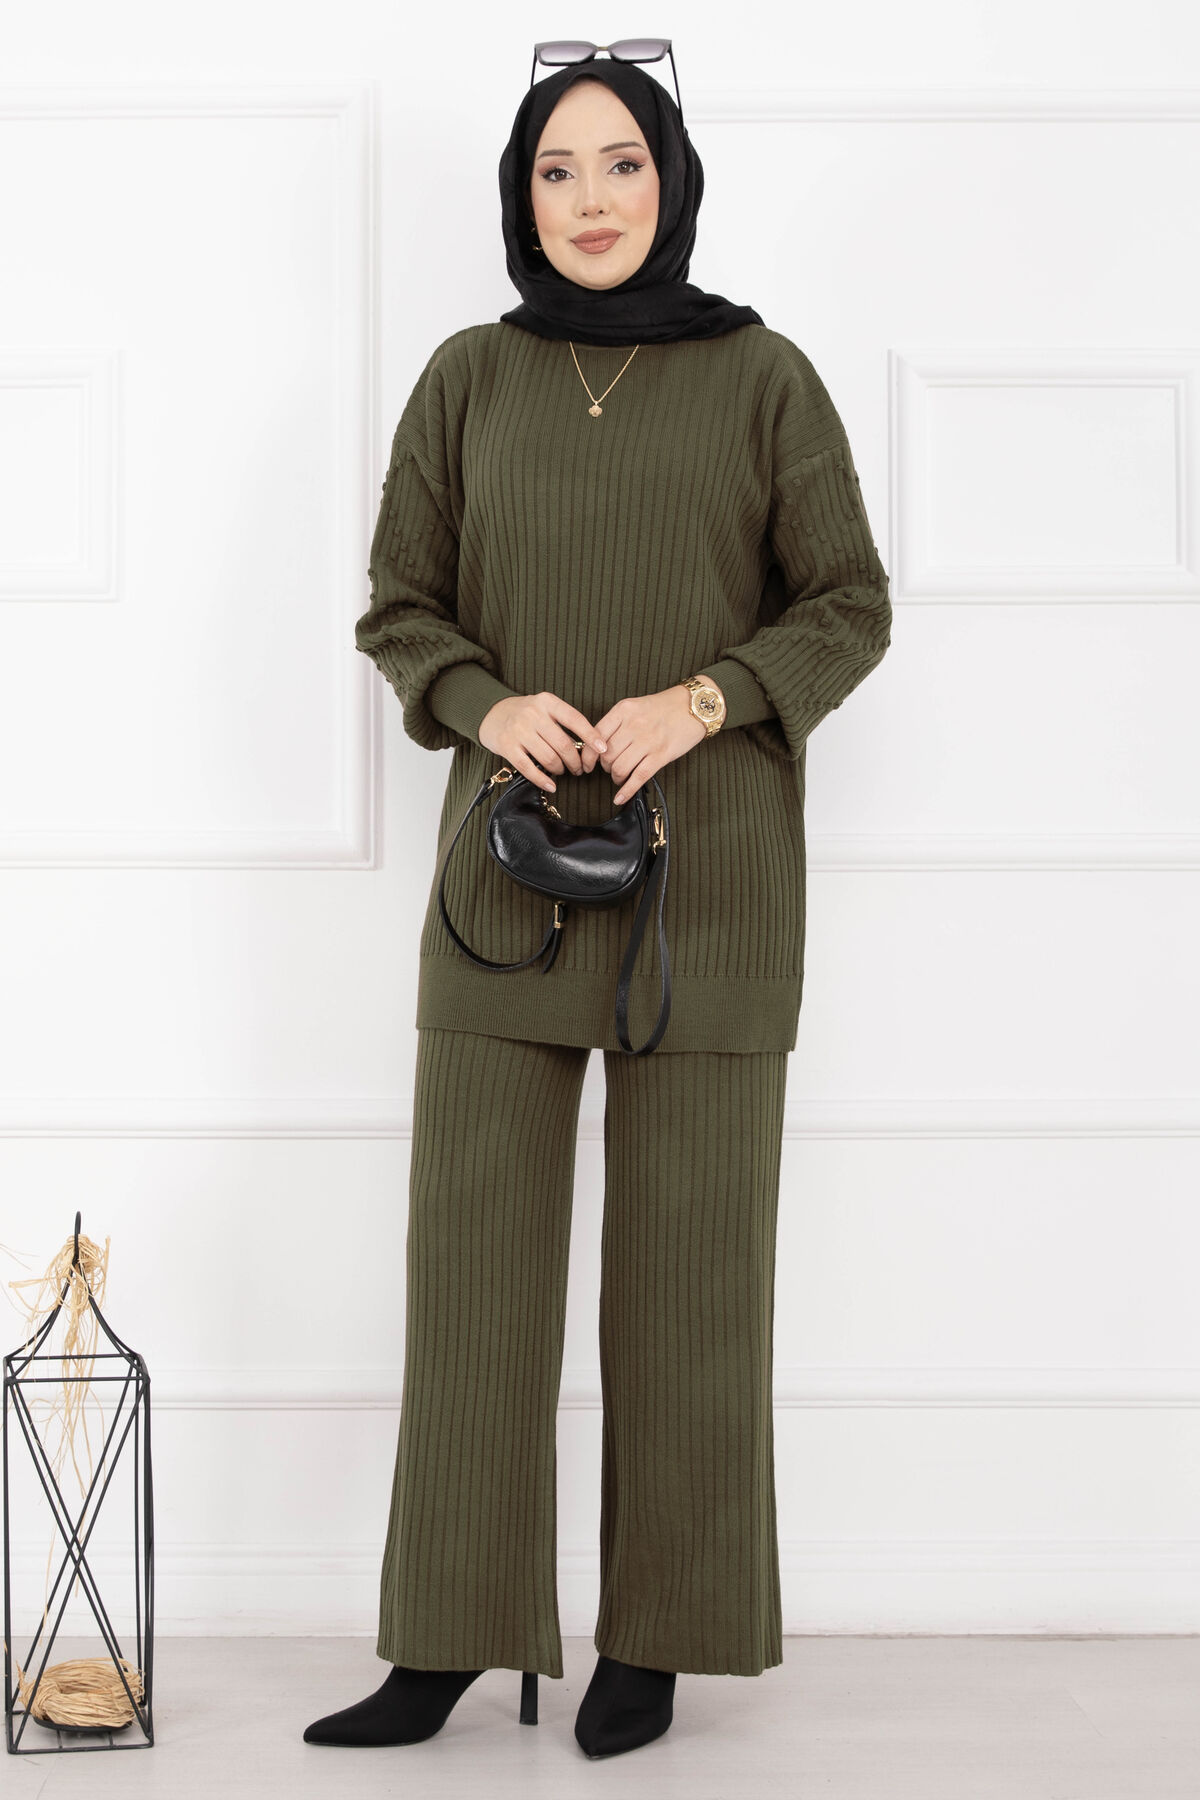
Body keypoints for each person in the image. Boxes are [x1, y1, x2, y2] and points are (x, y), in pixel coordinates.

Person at [303, 47, 891, 1762]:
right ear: (521, 195)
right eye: (556, 170)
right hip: (500, 886)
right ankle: (447, 1637)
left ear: (673, 180)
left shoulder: (765, 378)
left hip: (713, 887)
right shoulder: (468, 380)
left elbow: (847, 603)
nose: (590, 199)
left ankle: (659, 1640)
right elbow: (399, 604)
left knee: (693, 1284)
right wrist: (486, 703)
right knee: (472, 1277)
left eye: (620, 163)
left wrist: (704, 699)